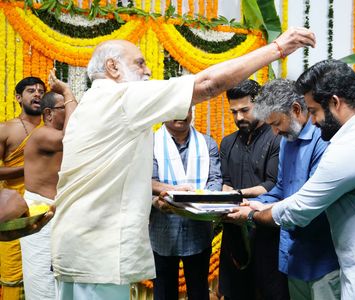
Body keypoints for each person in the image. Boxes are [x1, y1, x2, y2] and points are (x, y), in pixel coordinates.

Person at [51, 28, 316, 300]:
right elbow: (208, 84)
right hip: (97, 254)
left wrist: (159, 193)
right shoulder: (121, 98)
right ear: (113, 67)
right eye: (139, 63)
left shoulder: (88, 104)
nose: (148, 71)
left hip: (74, 246)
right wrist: (278, 48)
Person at [227, 59, 355, 299]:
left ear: (335, 102)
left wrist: (251, 213)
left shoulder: (351, 147)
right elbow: (285, 190)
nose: (312, 121)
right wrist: (260, 204)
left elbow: (301, 208)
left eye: (314, 112)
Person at [251, 79, 340, 299]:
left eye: (276, 123)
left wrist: (255, 214)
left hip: (323, 259)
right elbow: (282, 188)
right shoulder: (286, 141)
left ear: (296, 110)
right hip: (293, 255)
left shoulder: (323, 140)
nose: (274, 132)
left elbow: (311, 205)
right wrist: (254, 203)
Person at [219, 79, 286, 300]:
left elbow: (272, 184)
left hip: (265, 229)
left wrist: (237, 195)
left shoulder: (277, 137)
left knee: (268, 292)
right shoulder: (227, 143)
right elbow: (225, 181)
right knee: (235, 292)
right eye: (234, 112)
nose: (239, 118)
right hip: (233, 231)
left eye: (245, 110)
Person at [150, 107, 222, 300]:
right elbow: (146, 182)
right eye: (174, 108)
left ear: (192, 111)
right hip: (163, 232)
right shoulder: (150, 143)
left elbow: (215, 179)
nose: (180, 114)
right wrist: (156, 202)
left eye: (185, 108)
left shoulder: (207, 143)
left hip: (198, 230)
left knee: (199, 291)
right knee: (164, 293)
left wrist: (204, 201)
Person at [21, 71, 77, 300]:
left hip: (59, 213)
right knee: (42, 280)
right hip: (40, 214)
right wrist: (66, 91)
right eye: (68, 107)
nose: (74, 111)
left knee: (62, 279)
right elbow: (71, 136)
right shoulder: (41, 135)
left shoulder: (54, 136)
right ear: (49, 113)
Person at [0, 76, 46, 300]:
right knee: (13, 272)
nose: (37, 94)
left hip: (43, 209)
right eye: (31, 91)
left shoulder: (52, 130)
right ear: (19, 97)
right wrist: (28, 168)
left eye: (41, 91)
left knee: (43, 268)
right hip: (14, 212)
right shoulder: (6, 129)